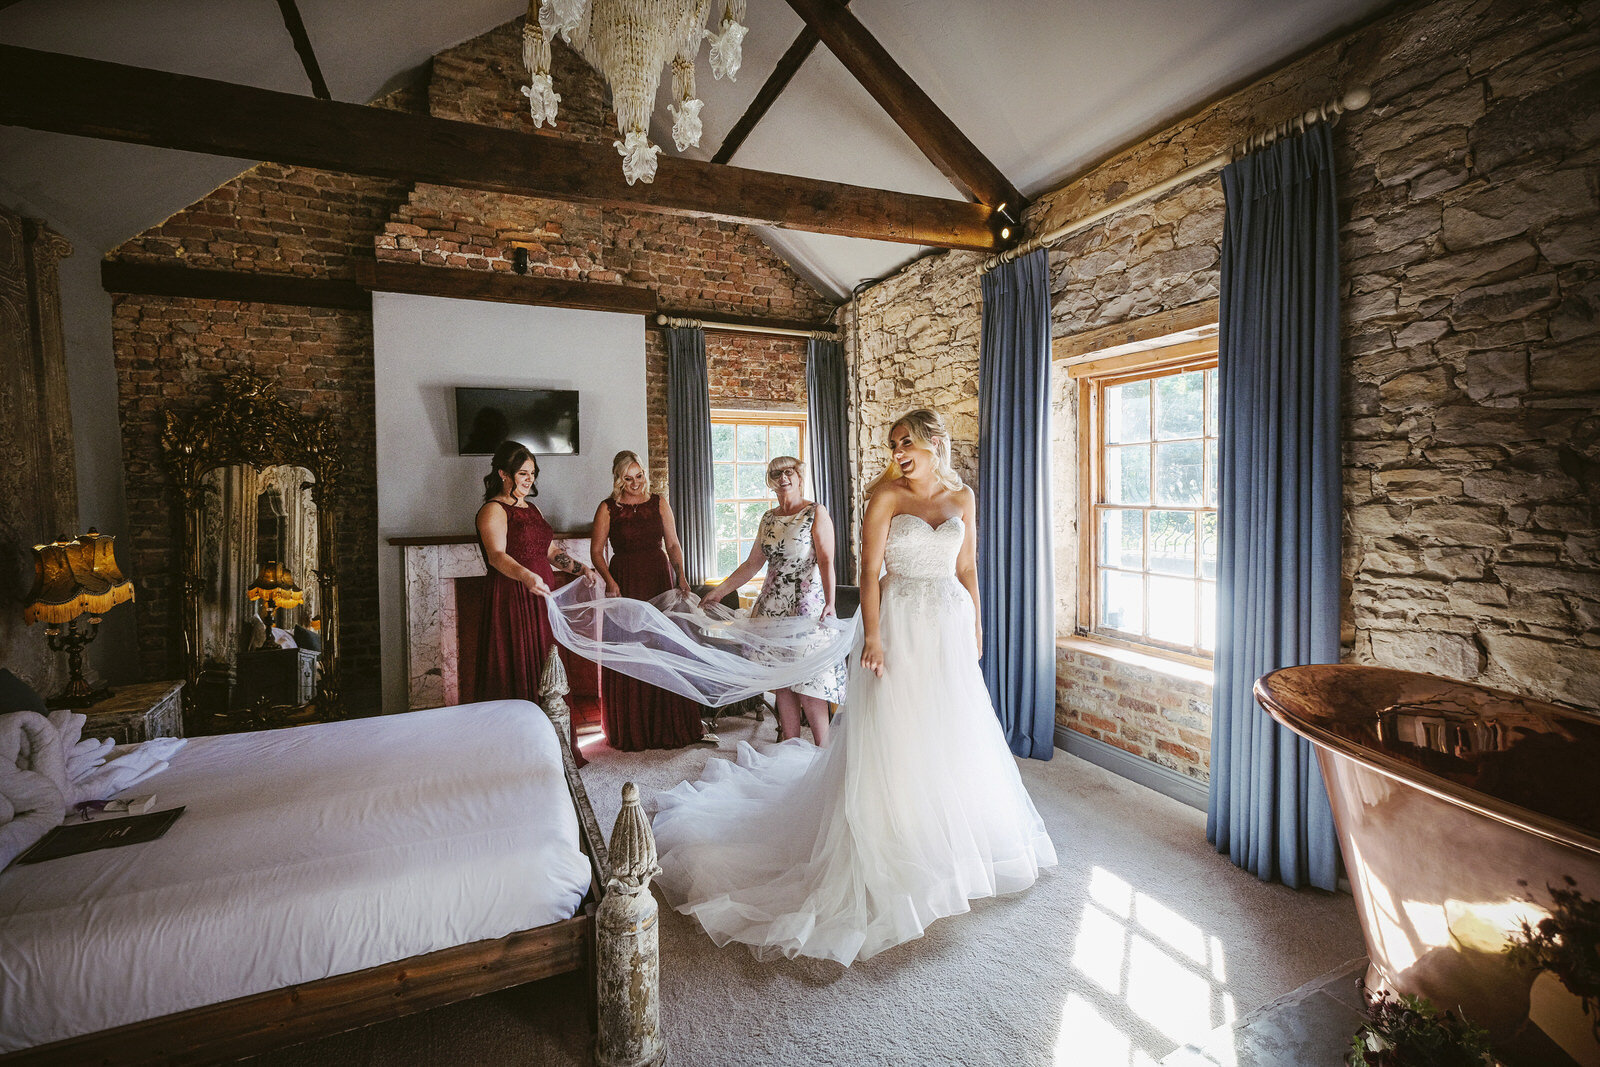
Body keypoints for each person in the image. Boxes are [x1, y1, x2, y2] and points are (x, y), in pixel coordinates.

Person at [652, 409, 1057, 965]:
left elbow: (967, 568)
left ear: (934, 443)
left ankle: (942, 835)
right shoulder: (886, 498)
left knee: (947, 726)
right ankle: (891, 834)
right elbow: (867, 572)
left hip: (948, 624)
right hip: (897, 623)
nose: (898, 453)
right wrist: (872, 635)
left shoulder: (962, 499)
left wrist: (979, 620)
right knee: (896, 728)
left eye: (907, 443)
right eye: (894, 444)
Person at [702, 456, 845, 745]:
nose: (783, 478)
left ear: (800, 477)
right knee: (782, 684)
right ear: (770, 481)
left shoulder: (816, 512)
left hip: (807, 607)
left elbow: (827, 559)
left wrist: (830, 602)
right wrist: (720, 591)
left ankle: (823, 752)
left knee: (809, 684)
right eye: (776, 473)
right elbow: (752, 564)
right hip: (771, 608)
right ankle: (789, 748)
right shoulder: (768, 518)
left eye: (788, 472)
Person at [475, 440, 592, 766]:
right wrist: (526, 576)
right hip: (511, 600)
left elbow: (551, 551)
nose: (529, 479)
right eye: (522, 473)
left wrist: (583, 568)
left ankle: (555, 751)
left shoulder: (533, 509)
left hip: (541, 602)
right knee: (516, 666)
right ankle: (517, 756)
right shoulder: (493, 510)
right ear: (503, 473)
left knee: (547, 667)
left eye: (532, 473)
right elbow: (498, 556)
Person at [590, 451, 708, 750]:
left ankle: (668, 726)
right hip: (626, 579)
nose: (635, 483)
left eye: (639, 476)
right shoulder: (607, 508)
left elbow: (673, 543)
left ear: (645, 473)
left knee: (662, 644)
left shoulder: (659, 502)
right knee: (630, 646)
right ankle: (633, 728)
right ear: (618, 479)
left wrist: (681, 575)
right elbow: (596, 550)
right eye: (627, 479)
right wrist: (610, 581)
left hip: (659, 575)